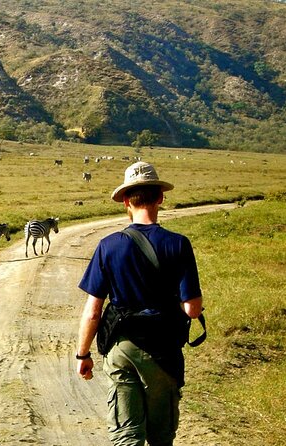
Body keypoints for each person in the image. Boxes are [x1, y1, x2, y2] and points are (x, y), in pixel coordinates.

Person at [75, 161, 204, 446]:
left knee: (126, 436)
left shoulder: (108, 246)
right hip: (163, 352)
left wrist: (83, 355)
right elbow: (192, 309)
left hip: (122, 348)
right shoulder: (179, 244)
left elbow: (93, 311)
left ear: (125, 201)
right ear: (160, 197)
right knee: (161, 437)